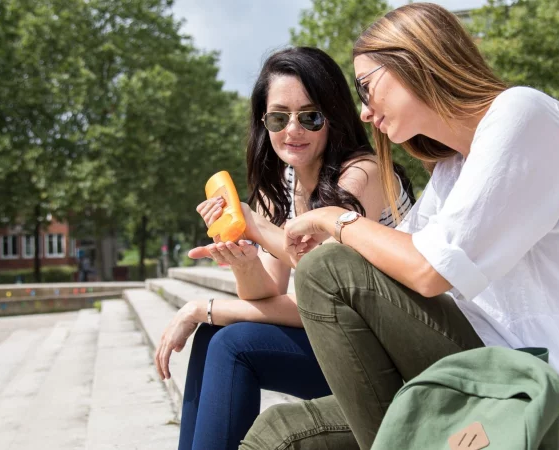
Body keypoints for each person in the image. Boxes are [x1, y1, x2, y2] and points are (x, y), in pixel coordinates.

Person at [241, 4, 559, 450]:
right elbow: (393, 264)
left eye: (366, 87)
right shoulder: (454, 167)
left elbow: (427, 271)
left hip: (550, 389)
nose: (363, 111)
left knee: (327, 270)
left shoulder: (522, 113)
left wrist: (332, 219)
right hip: (478, 368)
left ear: (415, 62)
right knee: (275, 433)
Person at [153, 47, 414, 450]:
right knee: (214, 336)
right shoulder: (280, 187)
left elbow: (319, 282)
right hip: (338, 340)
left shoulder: (363, 173)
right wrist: (243, 259)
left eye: (309, 117)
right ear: (264, 122)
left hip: (388, 353)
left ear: (334, 117)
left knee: (230, 342)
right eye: (278, 117)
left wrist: (203, 305)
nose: (292, 130)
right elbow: (266, 295)